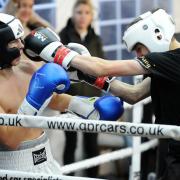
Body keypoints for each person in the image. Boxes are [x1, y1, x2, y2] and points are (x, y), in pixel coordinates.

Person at [24, 8, 180, 180]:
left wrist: (59, 53)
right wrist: (93, 79)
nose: (138, 54)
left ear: (157, 34)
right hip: (171, 145)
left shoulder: (171, 59)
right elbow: (134, 94)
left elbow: (102, 67)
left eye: (139, 48)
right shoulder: (166, 66)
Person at [0, 13, 124, 175]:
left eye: (20, 39)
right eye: (13, 42)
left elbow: (53, 99)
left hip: (46, 157)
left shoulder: (26, 68)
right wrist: (34, 99)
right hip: (13, 166)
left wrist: (87, 107)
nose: (21, 46)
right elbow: (11, 140)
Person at [59, 0, 104, 177]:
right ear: (73, 14)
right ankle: (68, 177)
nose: (83, 16)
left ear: (92, 15)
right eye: (79, 12)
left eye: (86, 12)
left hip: (92, 99)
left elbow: (103, 66)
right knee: (71, 143)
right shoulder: (63, 36)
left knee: (92, 143)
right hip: (70, 99)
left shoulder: (96, 39)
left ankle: (93, 176)